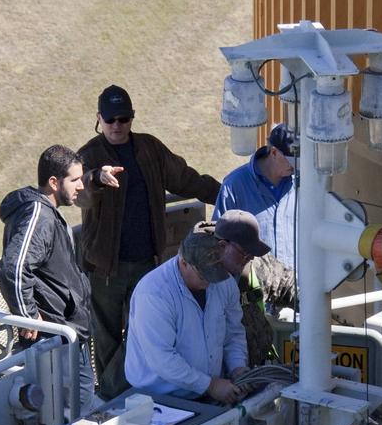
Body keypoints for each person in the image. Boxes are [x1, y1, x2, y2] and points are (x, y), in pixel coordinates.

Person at [79, 84, 221, 398]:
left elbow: (185, 178)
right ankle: (110, 398)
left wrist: (225, 194)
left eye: (124, 118)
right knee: (106, 337)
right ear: (99, 119)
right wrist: (96, 179)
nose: (117, 125)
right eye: (111, 119)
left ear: (132, 117)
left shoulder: (149, 149)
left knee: (141, 334)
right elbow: (80, 195)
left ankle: (127, 390)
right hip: (105, 268)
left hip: (146, 262)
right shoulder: (89, 155)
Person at [0, 144, 114, 417]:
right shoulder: (39, 217)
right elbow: (14, 268)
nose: (80, 187)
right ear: (53, 182)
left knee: (76, 418)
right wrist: (27, 315)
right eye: (74, 180)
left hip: (66, 337)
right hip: (57, 342)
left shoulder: (42, 212)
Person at [124, 227, 248, 403]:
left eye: (215, 272)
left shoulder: (224, 283)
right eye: (203, 275)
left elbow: (233, 333)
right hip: (157, 399)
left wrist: (238, 367)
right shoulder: (153, 294)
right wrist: (210, 385)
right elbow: (163, 359)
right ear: (183, 263)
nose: (209, 282)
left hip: (207, 394)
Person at [203, 211, 293, 367]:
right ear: (223, 246)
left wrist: (311, 298)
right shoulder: (198, 277)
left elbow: (286, 284)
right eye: (245, 252)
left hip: (259, 367)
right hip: (218, 379)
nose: (251, 257)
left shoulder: (255, 264)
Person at [213, 123, 295, 220]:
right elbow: (220, 231)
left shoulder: (301, 183)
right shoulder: (233, 186)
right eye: (291, 161)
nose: (295, 166)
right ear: (274, 153)